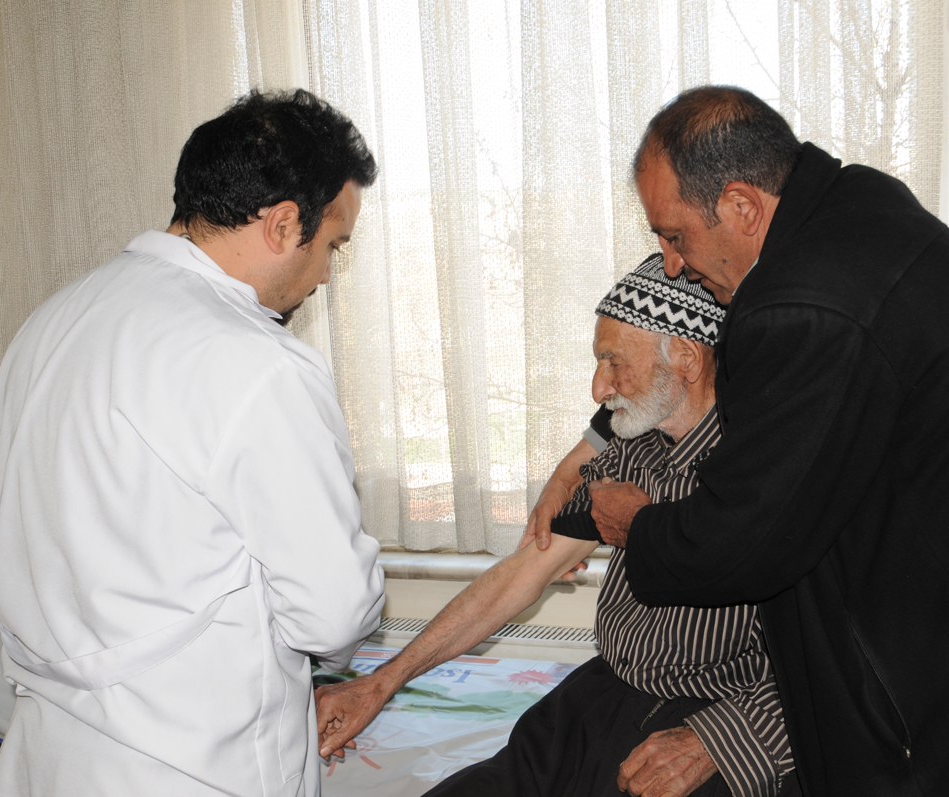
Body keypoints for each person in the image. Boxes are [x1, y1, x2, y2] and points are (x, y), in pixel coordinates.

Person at [533, 86, 949, 795]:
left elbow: (745, 541)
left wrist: (641, 527)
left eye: (676, 236)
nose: (670, 263)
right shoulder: (860, 224)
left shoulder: (807, 306)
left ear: (742, 207)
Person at [0, 89, 386, 796]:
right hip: (192, 766)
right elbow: (334, 615)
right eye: (333, 246)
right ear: (283, 223)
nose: (327, 274)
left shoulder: (48, 325)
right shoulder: (258, 364)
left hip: (48, 757)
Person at [315, 254, 798, 797]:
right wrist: (379, 684)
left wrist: (714, 742)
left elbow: (836, 659)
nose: (599, 388)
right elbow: (526, 573)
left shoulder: (769, 472)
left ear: (686, 357)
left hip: (709, 719)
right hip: (604, 696)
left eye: (614, 362)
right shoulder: (633, 451)